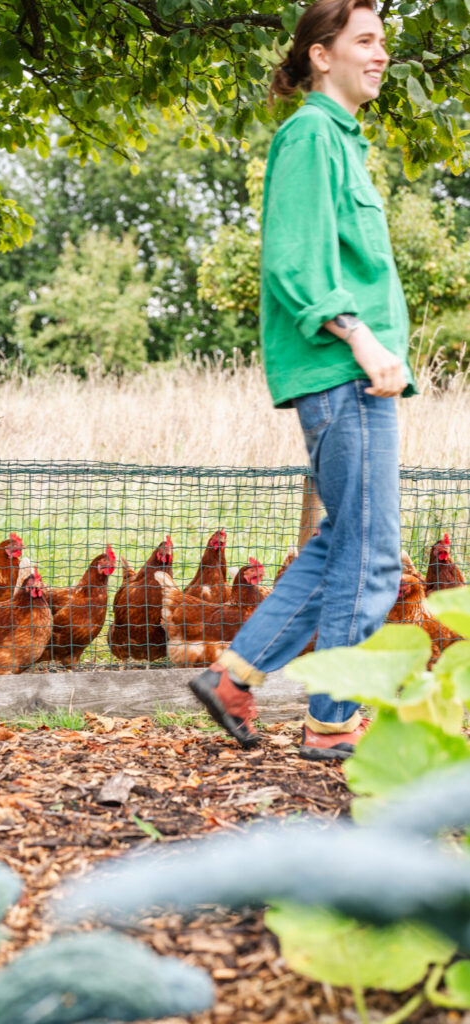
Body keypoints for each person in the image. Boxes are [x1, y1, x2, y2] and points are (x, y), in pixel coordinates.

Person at [189, 0, 416, 761]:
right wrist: (358, 337)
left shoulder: (340, 142)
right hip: (341, 370)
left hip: (348, 375)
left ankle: (235, 678)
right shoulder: (311, 136)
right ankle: (331, 720)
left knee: (342, 542)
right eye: (365, 40)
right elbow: (292, 259)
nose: (381, 53)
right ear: (322, 55)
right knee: (373, 555)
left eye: (382, 41)